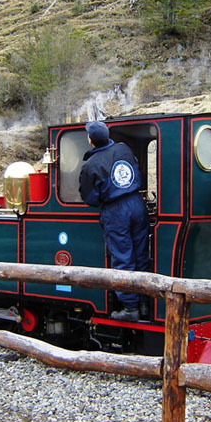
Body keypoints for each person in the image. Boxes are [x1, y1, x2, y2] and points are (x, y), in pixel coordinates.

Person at [79, 121, 150, 322]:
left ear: (91, 140)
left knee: (123, 257)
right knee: (141, 254)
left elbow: (90, 198)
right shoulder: (124, 149)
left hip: (116, 210)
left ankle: (130, 308)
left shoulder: (90, 164)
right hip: (137, 203)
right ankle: (144, 302)